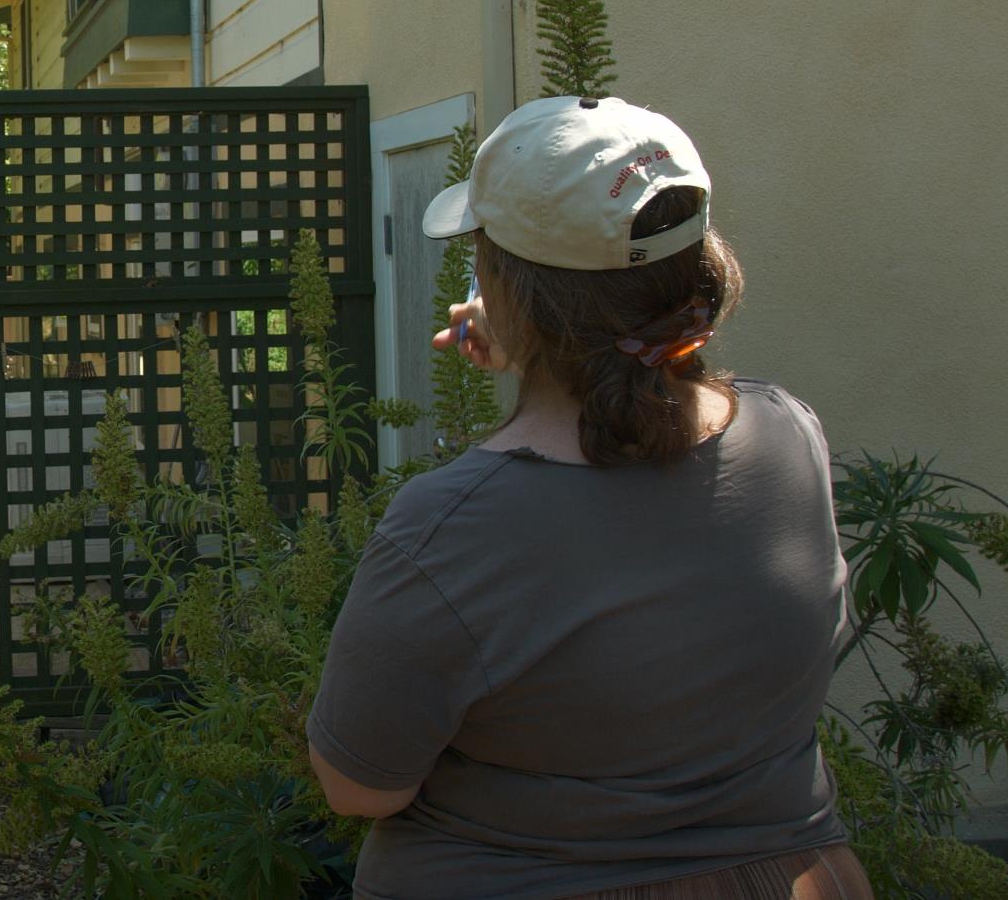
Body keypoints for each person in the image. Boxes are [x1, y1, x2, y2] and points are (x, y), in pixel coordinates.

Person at [307, 96, 870, 898]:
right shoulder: (788, 434)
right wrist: (542, 353)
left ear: (506, 287)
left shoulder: (453, 526)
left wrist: (543, 357)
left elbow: (359, 785)